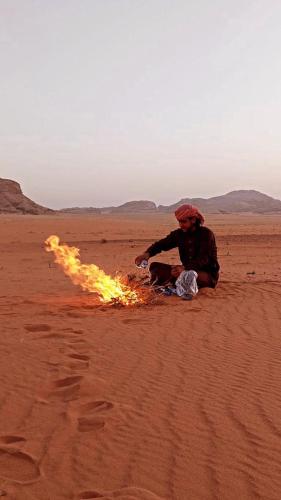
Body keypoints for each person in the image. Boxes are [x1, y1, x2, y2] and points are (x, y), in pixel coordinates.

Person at [135, 204, 220, 288]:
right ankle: (173, 281)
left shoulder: (206, 234)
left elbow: (204, 259)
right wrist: (147, 254)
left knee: (189, 275)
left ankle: (174, 281)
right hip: (184, 271)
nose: (180, 225)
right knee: (155, 267)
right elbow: (162, 244)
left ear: (193, 220)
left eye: (184, 221)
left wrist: (184, 268)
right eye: (179, 222)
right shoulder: (179, 234)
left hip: (206, 275)